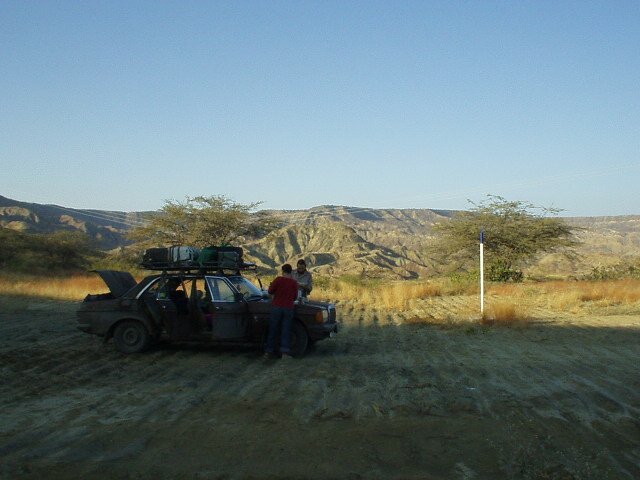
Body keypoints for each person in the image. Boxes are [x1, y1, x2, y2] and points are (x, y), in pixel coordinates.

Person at [265, 264, 298, 359]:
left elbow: (270, 291)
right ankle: (284, 352)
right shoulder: (294, 283)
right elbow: (295, 297)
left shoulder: (278, 280)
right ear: (291, 272)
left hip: (276, 307)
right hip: (288, 307)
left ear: (282, 271)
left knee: (273, 329)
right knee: (286, 330)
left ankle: (269, 351)